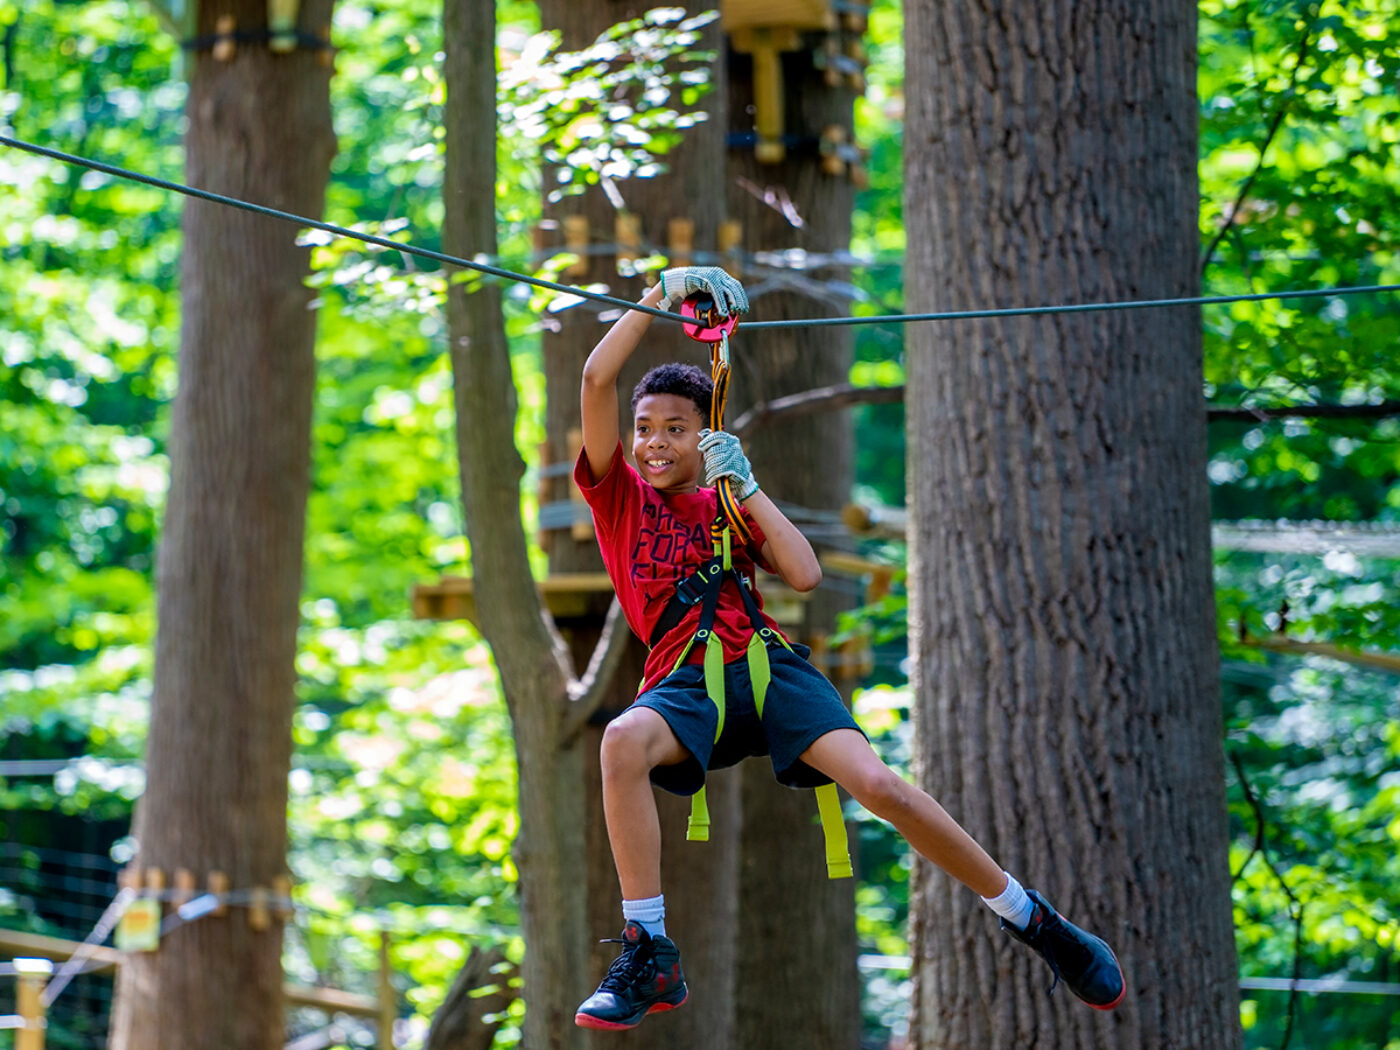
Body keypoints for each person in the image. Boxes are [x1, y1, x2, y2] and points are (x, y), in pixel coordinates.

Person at [571, 267, 1125, 1031]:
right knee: (622, 738)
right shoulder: (619, 499)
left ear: (705, 434)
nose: (655, 443)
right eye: (646, 429)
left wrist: (750, 487)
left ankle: (1031, 916)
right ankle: (649, 948)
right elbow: (599, 378)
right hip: (685, 682)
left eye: (675, 429)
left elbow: (802, 572)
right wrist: (661, 295)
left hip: (765, 671)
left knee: (882, 788)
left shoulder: (728, 498)